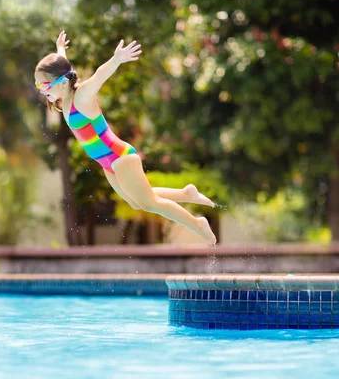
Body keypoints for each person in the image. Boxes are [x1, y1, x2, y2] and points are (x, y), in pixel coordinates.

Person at [34, 30, 217, 244]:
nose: (41, 90)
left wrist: (117, 59)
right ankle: (187, 194)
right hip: (108, 163)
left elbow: (98, 76)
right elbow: (63, 64)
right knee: (136, 202)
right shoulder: (64, 97)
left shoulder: (81, 96)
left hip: (120, 157)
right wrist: (60, 48)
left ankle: (198, 225)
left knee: (150, 203)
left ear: (62, 81)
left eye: (44, 85)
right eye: (38, 85)